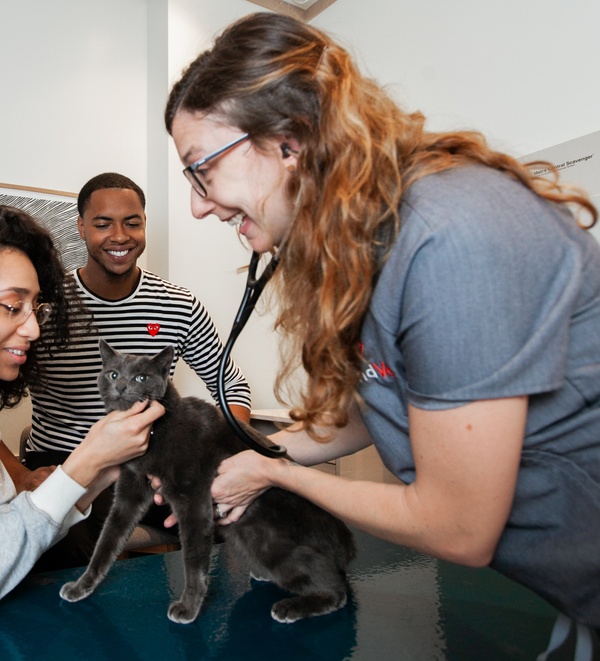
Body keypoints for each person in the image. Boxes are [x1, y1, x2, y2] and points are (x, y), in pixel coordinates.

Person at [159, 11, 600, 640]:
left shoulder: (451, 238)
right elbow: (389, 399)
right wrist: (239, 455)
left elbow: (457, 527)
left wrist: (274, 472)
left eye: (202, 169)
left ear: (290, 140)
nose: (199, 205)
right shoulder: (368, 245)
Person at [19, 172, 251, 569]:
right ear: (80, 227)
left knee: (233, 517)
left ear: (144, 224)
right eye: (102, 223)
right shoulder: (44, 305)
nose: (119, 236)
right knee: (63, 549)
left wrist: (223, 457)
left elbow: (231, 383)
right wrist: (21, 477)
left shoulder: (179, 304)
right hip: (66, 461)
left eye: (132, 222)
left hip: (153, 459)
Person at [0, 205, 164, 599]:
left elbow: (19, 533)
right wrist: (85, 461)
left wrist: (99, 471)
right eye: (11, 305)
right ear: (82, 228)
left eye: (35, 307)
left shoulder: (177, 301)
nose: (35, 328)